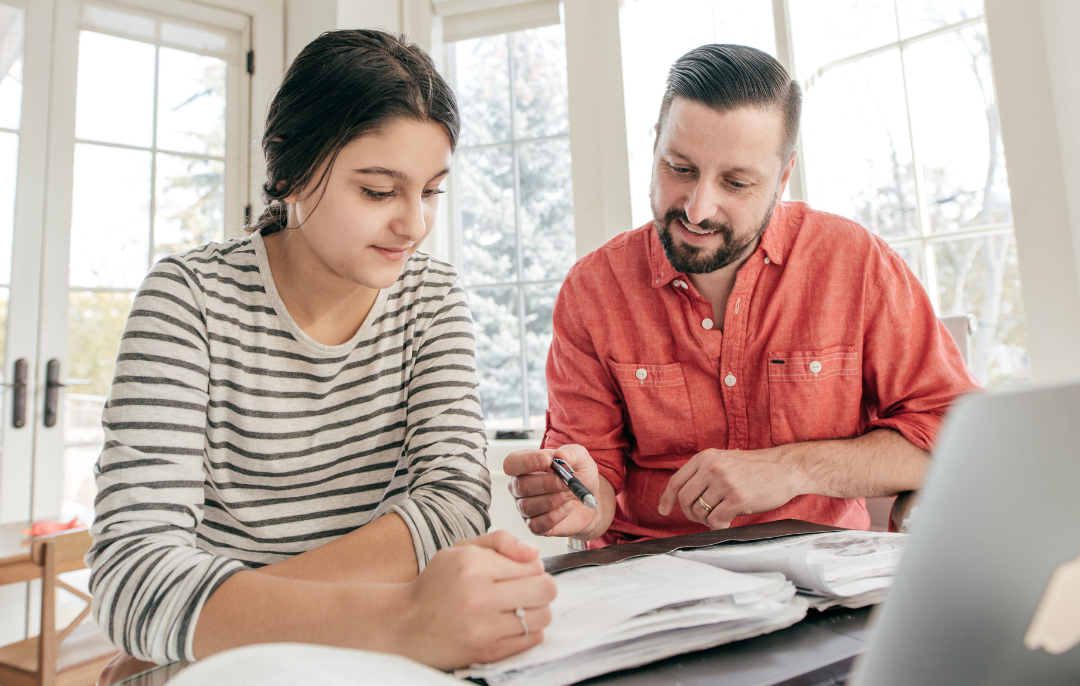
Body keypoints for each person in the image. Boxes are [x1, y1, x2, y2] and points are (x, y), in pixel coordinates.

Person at [88, 29, 555, 675]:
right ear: (288, 170)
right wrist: (398, 618)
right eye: (377, 190)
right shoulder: (188, 298)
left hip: (335, 650)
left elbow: (453, 500)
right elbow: (134, 575)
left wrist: (220, 615)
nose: (414, 224)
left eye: (431, 191)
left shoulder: (431, 295)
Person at [504, 44, 980, 549]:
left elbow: (959, 436)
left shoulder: (854, 261)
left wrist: (792, 469)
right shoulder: (593, 290)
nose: (697, 208)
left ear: (783, 176)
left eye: (735, 182)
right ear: (655, 149)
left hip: (822, 580)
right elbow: (592, 488)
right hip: (650, 583)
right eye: (679, 169)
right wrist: (572, 499)